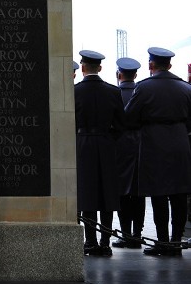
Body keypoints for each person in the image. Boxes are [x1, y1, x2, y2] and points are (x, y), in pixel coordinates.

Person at [124, 47, 191, 256]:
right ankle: (176, 241)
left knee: (158, 193)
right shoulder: (185, 88)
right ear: (169, 65)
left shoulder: (144, 88)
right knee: (179, 192)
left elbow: (129, 118)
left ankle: (162, 241)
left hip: (154, 142)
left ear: (151, 65)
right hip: (180, 141)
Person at [74, 50, 124, 257]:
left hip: (83, 143)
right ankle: (105, 242)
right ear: (100, 68)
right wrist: (109, 138)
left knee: (88, 193)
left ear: (83, 68)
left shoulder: (74, 91)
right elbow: (122, 124)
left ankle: (90, 241)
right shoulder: (113, 92)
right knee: (106, 193)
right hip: (105, 144)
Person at [112, 57, 146, 249]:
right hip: (141, 145)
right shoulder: (142, 91)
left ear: (119, 74)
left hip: (120, 147)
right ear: (135, 75)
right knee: (139, 192)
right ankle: (137, 234)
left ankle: (125, 234)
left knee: (122, 193)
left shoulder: (114, 93)